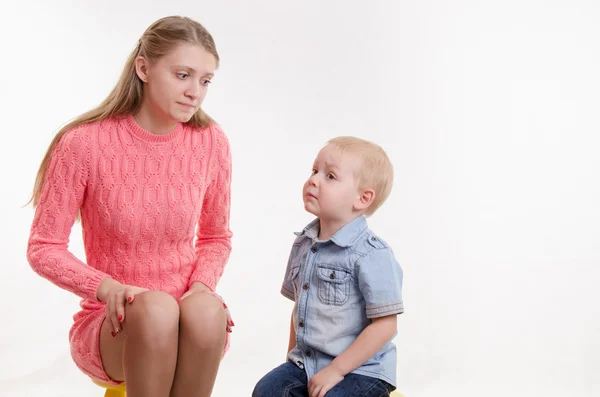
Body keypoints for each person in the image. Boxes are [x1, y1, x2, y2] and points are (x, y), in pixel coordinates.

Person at [26, 15, 234, 397]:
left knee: (207, 311)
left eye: (205, 80)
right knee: (155, 311)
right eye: (183, 74)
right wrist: (106, 288)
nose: (196, 92)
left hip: (187, 318)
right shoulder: (83, 144)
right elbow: (43, 247)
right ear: (144, 68)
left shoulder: (211, 141)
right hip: (113, 322)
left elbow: (216, 237)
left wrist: (203, 286)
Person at [253, 137, 404, 397]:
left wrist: (337, 370)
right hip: (308, 363)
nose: (314, 179)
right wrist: (290, 362)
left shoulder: (373, 254)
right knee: (267, 391)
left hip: (362, 369)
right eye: (314, 171)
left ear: (362, 198)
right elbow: (298, 309)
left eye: (330, 176)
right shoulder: (303, 244)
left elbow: (385, 325)